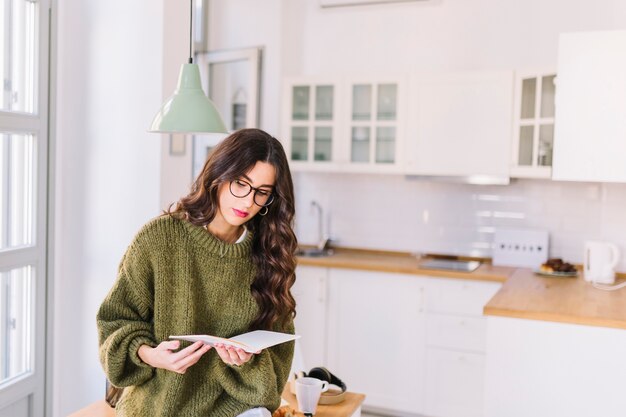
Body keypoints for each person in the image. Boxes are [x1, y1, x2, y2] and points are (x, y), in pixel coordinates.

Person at [97, 129, 298, 417]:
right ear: (218, 174)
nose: (247, 202)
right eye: (241, 184)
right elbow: (114, 322)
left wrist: (245, 363)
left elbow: (275, 377)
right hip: (158, 406)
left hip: (233, 409)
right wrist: (150, 355)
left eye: (262, 192)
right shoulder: (159, 238)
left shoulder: (269, 256)